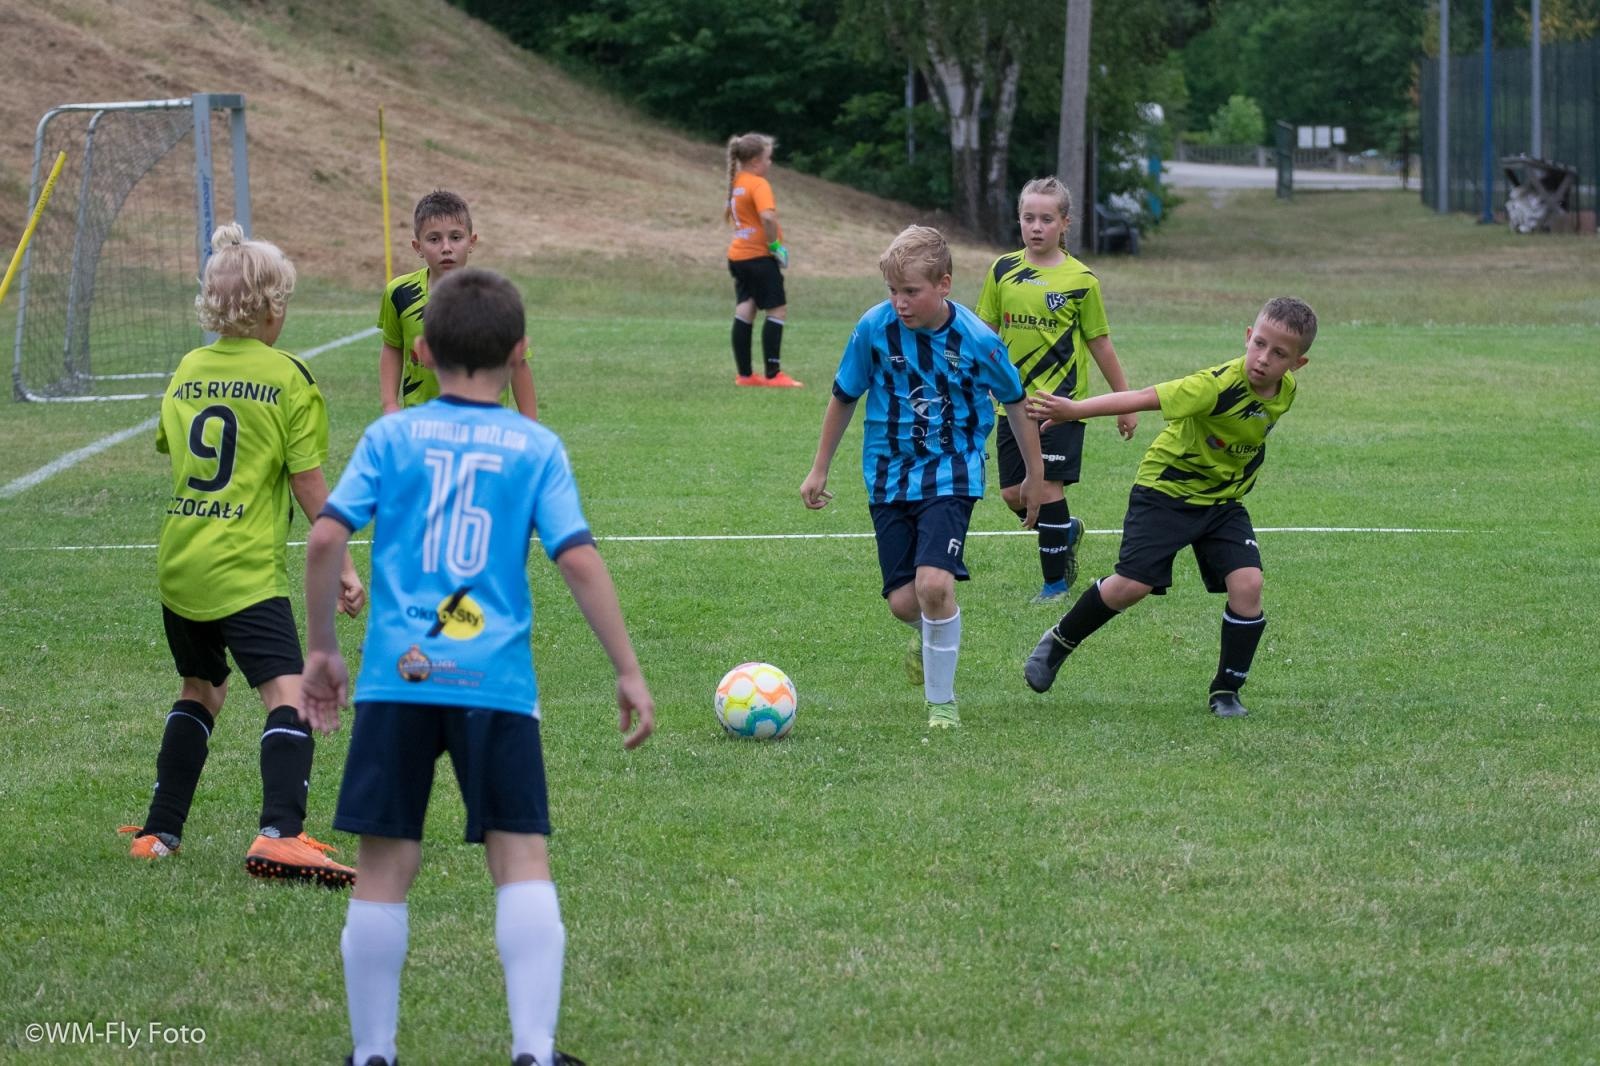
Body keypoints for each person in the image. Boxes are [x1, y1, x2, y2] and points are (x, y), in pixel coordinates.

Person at [301, 268, 655, 1066]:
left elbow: (325, 537)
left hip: (397, 678)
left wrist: (322, 649)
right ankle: (533, 1049)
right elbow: (577, 557)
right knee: (519, 856)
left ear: (422, 351)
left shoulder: (391, 437)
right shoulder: (535, 446)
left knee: (385, 862)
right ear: (520, 351)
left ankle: (373, 1052)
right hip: (494, 682)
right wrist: (627, 668)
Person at [122, 223, 366, 887]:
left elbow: (175, 449)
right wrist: (344, 564)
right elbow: (308, 483)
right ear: (272, 309)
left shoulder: (187, 370)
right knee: (290, 694)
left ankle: (158, 832)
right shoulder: (288, 377)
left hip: (181, 563)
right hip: (244, 571)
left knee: (201, 689)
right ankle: (281, 835)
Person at [1021, 296, 1318, 718]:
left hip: (1221, 502)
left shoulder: (1285, 390)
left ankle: (1226, 691)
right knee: (1133, 586)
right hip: (1165, 492)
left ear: (1297, 364)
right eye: (1260, 344)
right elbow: (1144, 397)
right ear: (1248, 336)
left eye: (1279, 354)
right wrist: (1073, 410)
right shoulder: (1214, 386)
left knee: (1248, 585)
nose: (1264, 359)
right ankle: (1059, 641)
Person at [800, 225, 1044, 729]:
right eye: (893, 291)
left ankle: (941, 704)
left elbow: (1017, 404)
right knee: (902, 601)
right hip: (888, 475)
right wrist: (820, 466)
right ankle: (931, 635)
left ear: (944, 284)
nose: (900, 303)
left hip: (953, 471)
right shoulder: (874, 328)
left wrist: (1034, 476)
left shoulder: (978, 340)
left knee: (933, 584)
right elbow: (844, 395)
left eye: (911, 291)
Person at [976, 176, 1138, 605]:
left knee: (1046, 488)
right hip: (1012, 404)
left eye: (1047, 219)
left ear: (1065, 223)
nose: (1036, 227)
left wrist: (1124, 404)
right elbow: (983, 334)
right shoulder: (1002, 270)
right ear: (1019, 219)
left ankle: (1055, 586)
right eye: (1029, 217)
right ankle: (1064, 529)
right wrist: (971, 383)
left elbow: (1100, 343)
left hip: (1060, 405)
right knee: (1013, 493)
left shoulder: (1081, 280)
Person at [378, 189, 538, 417]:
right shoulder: (399, 293)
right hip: (421, 421)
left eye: (455, 237)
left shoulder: (491, 296)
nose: (446, 248)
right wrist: (389, 404)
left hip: (484, 422)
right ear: (418, 246)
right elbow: (393, 346)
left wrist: (529, 423)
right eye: (434, 239)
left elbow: (517, 363)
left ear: (471, 241)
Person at [724, 132, 801, 387]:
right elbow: (767, 217)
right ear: (756, 161)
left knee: (746, 308)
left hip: (738, 256)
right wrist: (775, 246)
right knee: (777, 309)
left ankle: (745, 375)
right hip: (758, 257)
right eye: (768, 158)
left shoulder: (737, 182)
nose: (770, 163)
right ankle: (773, 374)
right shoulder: (758, 184)